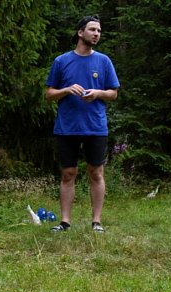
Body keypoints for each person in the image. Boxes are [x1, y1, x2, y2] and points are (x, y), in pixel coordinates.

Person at [45, 15, 120, 233]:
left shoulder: (104, 61)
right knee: (68, 173)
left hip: (95, 126)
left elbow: (113, 93)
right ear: (80, 32)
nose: (97, 34)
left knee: (96, 172)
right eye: (92, 30)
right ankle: (65, 221)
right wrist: (67, 90)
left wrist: (98, 93)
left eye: (99, 30)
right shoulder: (61, 61)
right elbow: (49, 94)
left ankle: (97, 222)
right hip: (67, 126)